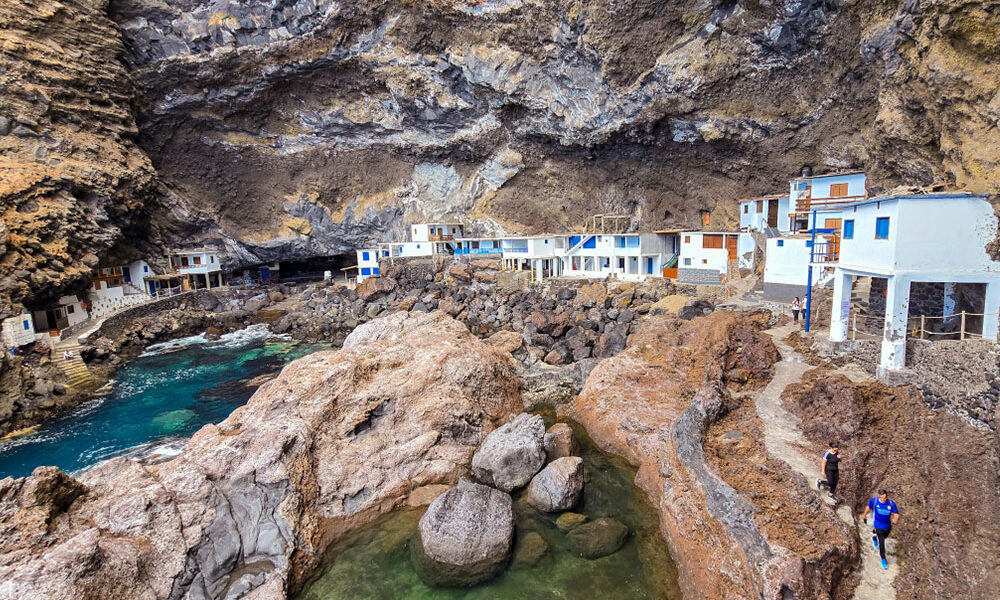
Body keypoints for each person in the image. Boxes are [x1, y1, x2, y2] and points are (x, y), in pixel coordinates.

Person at [862, 489, 899, 570]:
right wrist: (864, 514)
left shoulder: (891, 504)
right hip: (878, 525)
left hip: (887, 525)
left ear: (887, 497)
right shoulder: (874, 501)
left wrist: (895, 518)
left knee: (884, 536)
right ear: (879, 496)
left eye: (884, 498)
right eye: (881, 498)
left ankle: (874, 537)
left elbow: (896, 513)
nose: (883, 499)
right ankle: (883, 559)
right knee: (881, 543)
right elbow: (868, 507)